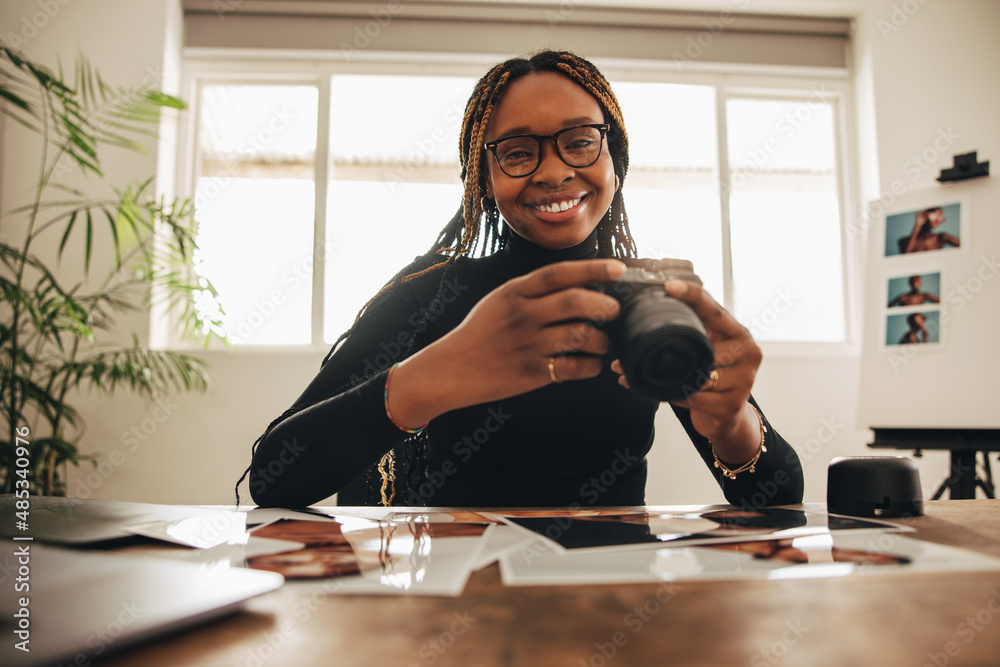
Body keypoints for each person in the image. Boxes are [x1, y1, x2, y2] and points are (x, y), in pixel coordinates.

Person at [239, 50, 803, 509]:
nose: (554, 171)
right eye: (516, 152)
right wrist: (430, 379)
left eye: (580, 140)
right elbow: (273, 478)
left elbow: (777, 497)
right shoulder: (427, 296)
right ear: (483, 177)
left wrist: (732, 422)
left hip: (617, 606)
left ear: (615, 157)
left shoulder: (650, 296)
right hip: (457, 615)